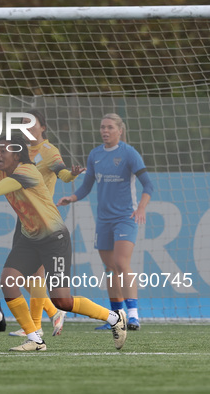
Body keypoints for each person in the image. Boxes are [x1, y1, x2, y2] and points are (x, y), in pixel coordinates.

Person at [0, 135, 127, 352]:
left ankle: (114, 318)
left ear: (17, 154)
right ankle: (35, 339)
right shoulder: (1, 173)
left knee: (62, 301)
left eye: (2, 150)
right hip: (30, 239)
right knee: (8, 281)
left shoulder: (26, 170)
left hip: (55, 239)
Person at [57, 113, 153, 331]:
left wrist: (141, 208)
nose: (105, 131)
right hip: (103, 221)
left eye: (110, 127)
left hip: (125, 218)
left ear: (120, 130)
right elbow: (86, 186)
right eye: (102, 127)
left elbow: (149, 185)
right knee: (109, 268)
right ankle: (117, 318)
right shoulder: (95, 155)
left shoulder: (129, 153)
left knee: (121, 263)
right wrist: (71, 198)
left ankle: (134, 315)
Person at [8, 109, 84, 338]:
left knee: (34, 276)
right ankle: (51, 313)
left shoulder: (49, 152)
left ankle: (36, 325)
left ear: (43, 127)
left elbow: (62, 173)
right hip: (24, 218)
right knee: (23, 276)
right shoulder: (19, 151)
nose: (26, 127)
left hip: (43, 220)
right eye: (23, 123)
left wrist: (72, 174)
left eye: (31, 123)